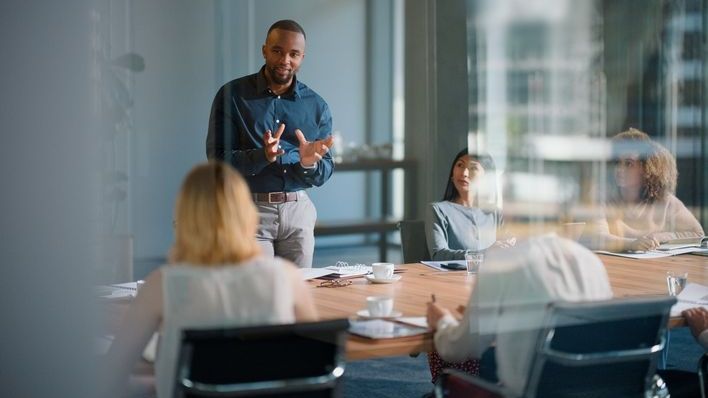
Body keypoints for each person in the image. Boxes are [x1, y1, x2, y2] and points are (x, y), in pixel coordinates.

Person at [102, 162, 318, 398]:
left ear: (185, 217)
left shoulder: (162, 285)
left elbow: (113, 372)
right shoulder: (287, 277)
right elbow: (315, 362)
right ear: (247, 214)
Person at [206, 19, 334, 268]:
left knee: (298, 294)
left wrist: (308, 164)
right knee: (259, 294)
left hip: (298, 211)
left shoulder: (317, 106)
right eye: (277, 51)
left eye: (293, 54)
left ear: (302, 57)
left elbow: (325, 170)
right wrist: (262, 155)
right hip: (250, 211)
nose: (285, 60)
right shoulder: (232, 95)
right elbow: (217, 158)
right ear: (264, 50)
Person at [426, 234, 613, 396]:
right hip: (592, 388)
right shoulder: (591, 262)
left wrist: (442, 320)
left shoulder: (503, 264)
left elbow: (460, 349)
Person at [588, 128, 704, 252]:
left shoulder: (664, 200)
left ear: (647, 169)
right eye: (617, 162)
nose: (619, 169)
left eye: (628, 163)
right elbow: (598, 238)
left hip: (653, 268)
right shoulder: (601, 195)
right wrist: (632, 244)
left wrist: (660, 237)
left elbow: (698, 235)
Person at [426, 148, 511, 261]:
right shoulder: (438, 210)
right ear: (452, 173)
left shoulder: (494, 212)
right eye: (460, 165)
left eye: (473, 168)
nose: (464, 173)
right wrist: (485, 253)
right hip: (454, 278)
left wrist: (510, 245)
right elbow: (438, 255)